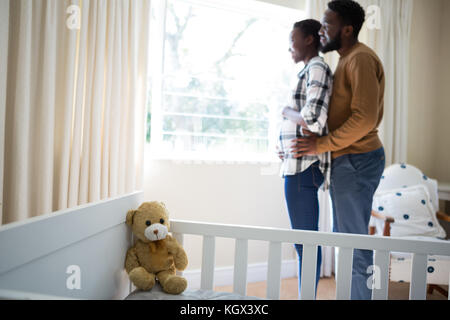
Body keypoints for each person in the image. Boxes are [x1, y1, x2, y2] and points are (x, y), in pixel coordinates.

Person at [291, 0, 386, 300]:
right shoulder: (345, 60)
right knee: (347, 242)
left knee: (354, 247)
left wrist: (321, 144)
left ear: (347, 29)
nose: (321, 31)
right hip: (348, 161)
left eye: (327, 24)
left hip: (357, 159)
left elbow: (365, 119)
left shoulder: (359, 59)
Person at [277, 19, 333, 299]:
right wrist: (284, 146)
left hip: (303, 169)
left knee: (306, 243)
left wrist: (286, 111)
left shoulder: (317, 68)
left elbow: (312, 120)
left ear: (309, 39)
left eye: (293, 38)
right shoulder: (309, 70)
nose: (290, 46)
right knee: (304, 242)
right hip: (296, 166)